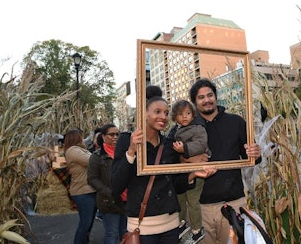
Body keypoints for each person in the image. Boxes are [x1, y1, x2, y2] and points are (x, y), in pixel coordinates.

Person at [112, 87, 216, 244]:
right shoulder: (127, 140)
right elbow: (115, 186)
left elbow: (177, 185)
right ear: (144, 114)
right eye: (157, 112)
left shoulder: (169, 144)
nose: (163, 117)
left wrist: (193, 175)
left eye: (166, 113)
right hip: (141, 228)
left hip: (171, 226)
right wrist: (132, 151)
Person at [188, 78, 262, 244]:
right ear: (194, 102)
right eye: (201, 97)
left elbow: (251, 159)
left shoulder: (236, 122)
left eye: (210, 95)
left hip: (234, 204)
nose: (207, 100)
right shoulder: (188, 129)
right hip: (202, 209)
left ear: (215, 96)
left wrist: (256, 154)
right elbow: (179, 169)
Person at [170, 99, 211, 243]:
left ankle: (196, 229)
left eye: (188, 113)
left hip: (196, 170)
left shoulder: (198, 128)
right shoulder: (174, 131)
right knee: (180, 197)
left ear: (193, 115)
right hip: (182, 172)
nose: (185, 116)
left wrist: (184, 149)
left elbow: (201, 144)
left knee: (193, 200)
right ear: (175, 117)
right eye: (181, 114)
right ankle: (182, 223)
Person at [87, 124, 127, 244]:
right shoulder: (97, 156)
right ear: (104, 137)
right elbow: (92, 178)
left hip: (127, 200)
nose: (115, 137)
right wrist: (108, 192)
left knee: (125, 233)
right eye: (111, 134)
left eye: (117, 134)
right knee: (112, 234)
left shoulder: (125, 153)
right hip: (109, 201)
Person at [64, 128, 97, 244]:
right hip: (82, 191)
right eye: (82, 137)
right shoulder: (73, 151)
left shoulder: (80, 150)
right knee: (85, 223)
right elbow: (92, 160)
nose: (84, 139)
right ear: (77, 138)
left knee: (89, 222)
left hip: (88, 190)